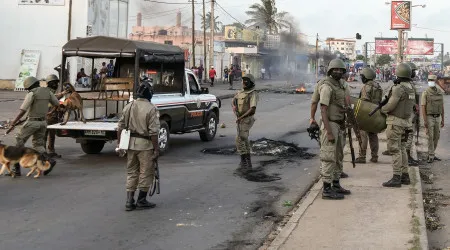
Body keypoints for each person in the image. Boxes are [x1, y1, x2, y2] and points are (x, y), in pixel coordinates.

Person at [117, 78, 160, 211]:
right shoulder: (151, 109)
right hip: (145, 145)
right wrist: (156, 149)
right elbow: (154, 132)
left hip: (130, 144)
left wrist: (120, 145)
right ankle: (141, 199)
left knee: (131, 172)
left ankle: (129, 201)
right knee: (145, 172)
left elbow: (120, 127)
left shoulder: (129, 106)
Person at [8, 76, 59, 176]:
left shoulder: (32, 93)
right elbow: (57, 104)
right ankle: (50, 160)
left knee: (18, 142)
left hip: (32, 122)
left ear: (29, 87)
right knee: (38, 145)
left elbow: (23, 110)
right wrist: (50, 112)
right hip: (43, 122)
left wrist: (13, 122)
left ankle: (16, 170)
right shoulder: (48, 91)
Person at [316, 58, 351, 200]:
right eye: (335, 69)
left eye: (341, 70)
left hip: (339, 124)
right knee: (328, 157)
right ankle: (326, 189)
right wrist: (329, 132)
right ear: (330, 71)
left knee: (338, 157)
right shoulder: (327, 86)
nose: (338, 72)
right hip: (329, 125)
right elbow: (323, 109)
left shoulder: (341, 85)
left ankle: (336, 184)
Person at [381, 63, 415, 187]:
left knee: (394, 149)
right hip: (406, 123)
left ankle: (396, 177)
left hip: (395, 123)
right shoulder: (411, 87)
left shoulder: (398, 88)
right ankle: (405, 175)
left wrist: (382, 109)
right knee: (402, 149)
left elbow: (390, 105)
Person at [232, 74, 259, 173]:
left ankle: (244, 162)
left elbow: (252, 109)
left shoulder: (253, 93)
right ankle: (247, 162)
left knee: (239, 139)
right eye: (242, 81)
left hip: (246, 119)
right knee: (244, 139)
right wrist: (234, 106)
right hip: (240, 119)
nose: (242, 83)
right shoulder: (241, 92)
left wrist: (241, 117)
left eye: (244, 81)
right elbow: (234, 100)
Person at [355, 67, 382, 163]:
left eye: (362, 76)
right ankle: (374, 156)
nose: (361, 78)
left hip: (366, 114)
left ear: (366, 77)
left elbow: (364, 103)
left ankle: (362, 157)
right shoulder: (378, 86)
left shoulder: (366, 87)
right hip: (375, 114)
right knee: (373, 135)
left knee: (362, 135)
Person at [422, 74, 445, 163]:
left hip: (438, 117)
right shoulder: (425, 92)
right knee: (430, 137)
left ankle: (432, 153)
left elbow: (442, 106)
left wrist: (443, 119)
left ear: (436, 81)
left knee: (436, 137)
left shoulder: (440, 92)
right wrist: (425, 121)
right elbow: (423, 107)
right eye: (429, 80)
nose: (431, 82)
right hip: (429, 117)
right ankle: (431, 155)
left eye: (432, 80)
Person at [45, 74, 68, 159]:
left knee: (52, 135)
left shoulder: (52, 91)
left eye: (57, 83)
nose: (56, 85)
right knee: (44, 135)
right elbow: (54, 97)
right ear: (49, 83)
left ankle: (51, 151)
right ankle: (43, 153)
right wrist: (62, 93)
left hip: (52, 117)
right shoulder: (46, 91)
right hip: (46, 117)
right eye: (54, 83)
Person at [405, 62, 420, 166]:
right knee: (409, 135)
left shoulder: (410, 84)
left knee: (409, 135)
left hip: (411, 113)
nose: (415, 73)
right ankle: (406, 157)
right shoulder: (407, 85)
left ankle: (407, 156)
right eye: (413, 71)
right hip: (408, 114)